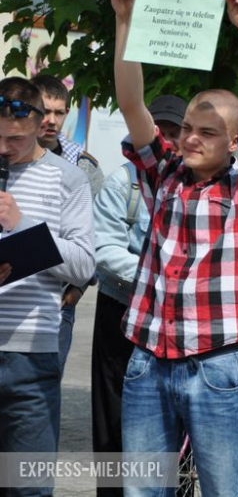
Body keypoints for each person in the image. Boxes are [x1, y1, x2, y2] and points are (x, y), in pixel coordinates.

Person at [110, 0, 238, 495]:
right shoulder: (163, 173)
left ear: (231, 142)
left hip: (216, 364)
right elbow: (133, 105)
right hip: (148, 358)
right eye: (186, 127)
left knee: (227, 488)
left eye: (206, 132)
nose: (189, 138)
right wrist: (125, 21)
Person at [0, 77, 94, 496]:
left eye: (15, 139)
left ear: (40, 126)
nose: (4, 148)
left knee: (27, 486)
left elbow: (84, 264)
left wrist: (22, 229)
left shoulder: (67, 179)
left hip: (30, 357)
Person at [90, 94, 186, 496]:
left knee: (176, 419)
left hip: (177, 319)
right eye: (158, 129)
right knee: (114, 419)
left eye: (173, 131)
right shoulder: (121, 181)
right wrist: (157, 279)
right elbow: (104, 248)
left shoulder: (193, 182)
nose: (165, 138)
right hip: (122, 311)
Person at [30, 74, 104, 375]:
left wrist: (78, 290)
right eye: (45, 111)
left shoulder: (83, 167)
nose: (51, 120)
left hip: (58, 299)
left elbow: (98, 233)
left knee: (41, 397)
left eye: (59, 112)